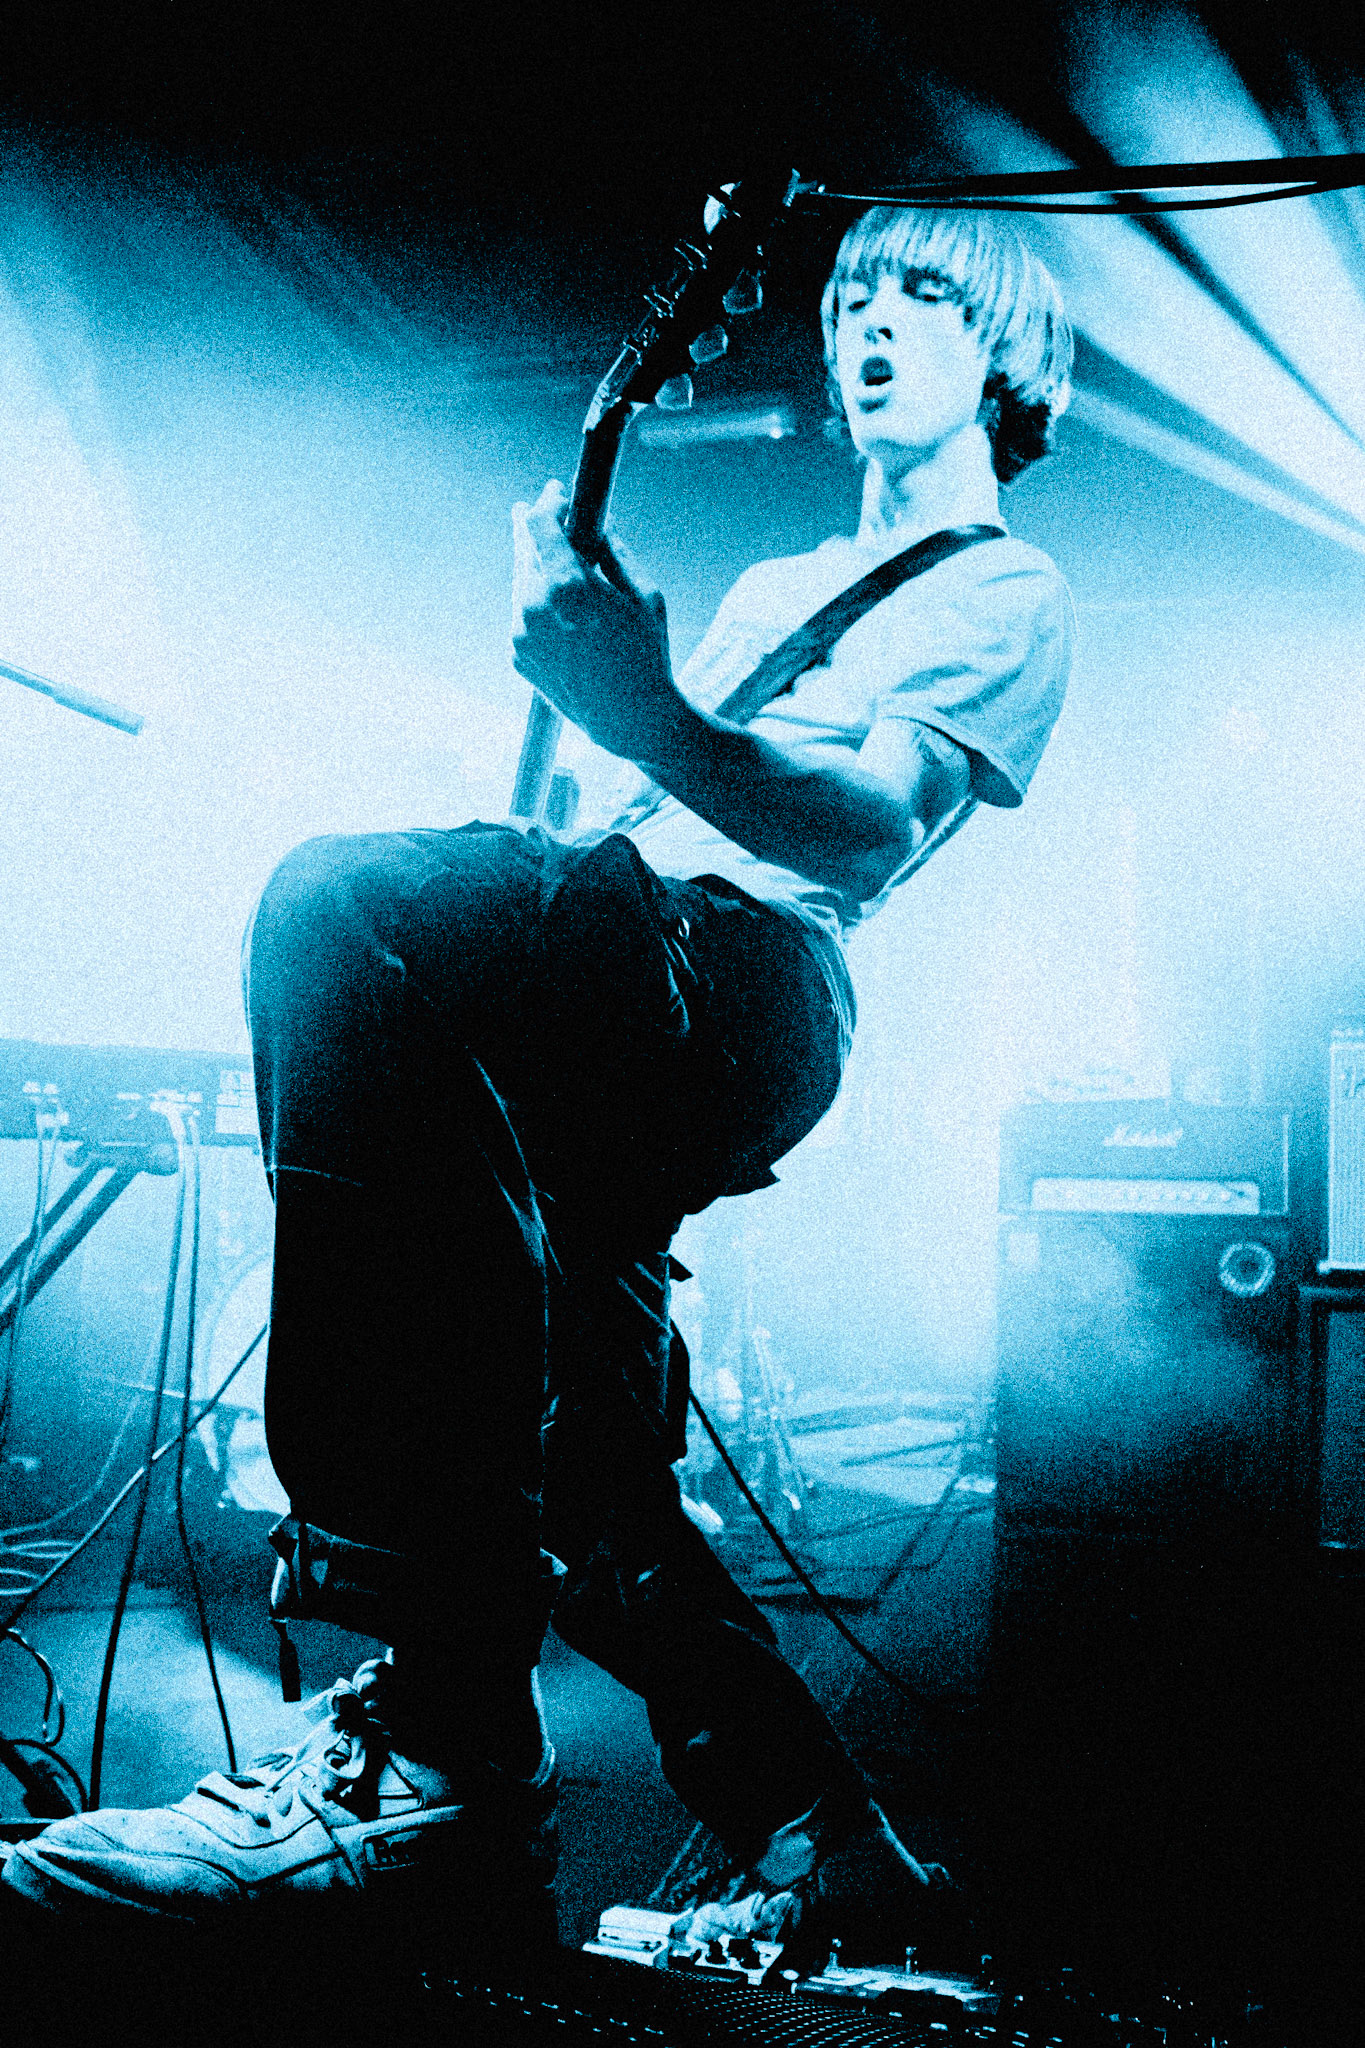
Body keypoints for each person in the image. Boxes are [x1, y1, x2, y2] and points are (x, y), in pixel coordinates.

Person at [1, 205, 1073, 1965]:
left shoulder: (998, 587)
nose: (868, 321)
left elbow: (867, 829)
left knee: (340, 902)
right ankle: (830, 1851)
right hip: (627, 971)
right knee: (592, 1477)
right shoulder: (772, 592)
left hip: (746, 980)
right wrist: (582, 736)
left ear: (1009, 353)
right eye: (849, 295)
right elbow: (614, 824)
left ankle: (438, 1744)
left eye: (922, 296)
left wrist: (638, 717)